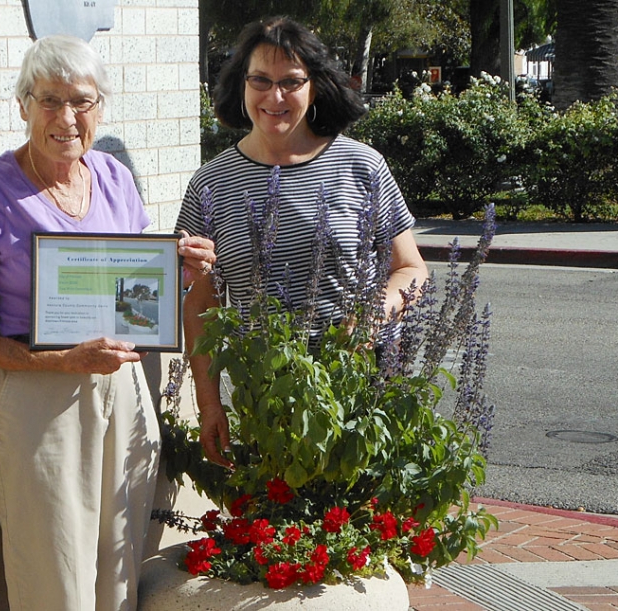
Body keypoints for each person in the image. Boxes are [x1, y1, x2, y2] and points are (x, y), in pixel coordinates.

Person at [0, 35, 215, 611]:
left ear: (101, 109)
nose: (66, 118)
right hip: (37, 398)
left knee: (117, 569)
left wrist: (181, 269)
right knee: (54, 577)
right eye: (49, 100)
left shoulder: (114, 176)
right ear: (23, 106)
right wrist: (62, 360)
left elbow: (137, 292)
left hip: (122, 388)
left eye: (82, 102)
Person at [175, 16, 428, 469]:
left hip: (360, 387)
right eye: (260, 81)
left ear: (316, 86)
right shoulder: (210, 183)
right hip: (262, 394)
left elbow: (411, 269)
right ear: (241, 86)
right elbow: (198, 302)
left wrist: (370, 319)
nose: (274, 97)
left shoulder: (361, 166)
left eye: (290, 82)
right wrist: (209, 404)